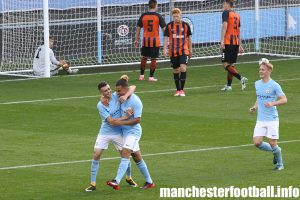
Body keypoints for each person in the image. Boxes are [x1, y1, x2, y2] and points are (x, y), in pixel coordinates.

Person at [85, 80, 138, 192]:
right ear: (101, 93)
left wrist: (126, 96)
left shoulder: (115, 95)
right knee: (96, 154)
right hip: (105, 132)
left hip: (118, 132)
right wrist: (125, 117)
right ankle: (92, 183)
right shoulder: (100, 105)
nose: (108, 91)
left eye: (109, 89)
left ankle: (129, 178)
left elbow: (132, 87)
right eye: (105, 91)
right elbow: (111, 122)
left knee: (125, 155)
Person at [106, 78, 155, 190]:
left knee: (125, 153)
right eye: (116, 91)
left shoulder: (136, 101)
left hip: (133, 132)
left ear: (126, 90)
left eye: (119, 91)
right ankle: (150, 182)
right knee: (137, 157)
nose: (117, 93)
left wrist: (122, 122)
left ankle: (116, 181)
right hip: (124, 132)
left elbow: (137, 120)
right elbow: (132, 87)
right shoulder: (119, 96)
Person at [249, 58, 287, 171]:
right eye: (260, 69)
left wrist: (273, 103)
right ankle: (276, 152)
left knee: (272, 142)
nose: (261, 71)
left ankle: (280, 165)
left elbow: (284, 99)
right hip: (260, 119)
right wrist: (255, 106)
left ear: (269, 71)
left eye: (263, 70)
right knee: (257, 142)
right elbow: (259, 97)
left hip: (272, 119)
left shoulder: (274, 85)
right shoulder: (257, 84)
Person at [134, 0, 166, 82]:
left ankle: (141, 75)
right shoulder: (158, 16)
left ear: (148, 6)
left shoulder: (143, 16)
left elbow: (138, 28)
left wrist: (136, 40)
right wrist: (167, 40)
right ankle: (151, 77)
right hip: (155, 41)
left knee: (144, 57)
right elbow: (164, 29)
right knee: (153, 59)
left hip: (145, 40)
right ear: (155, 5)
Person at [163, 8, 192, 97]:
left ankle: (182, 90)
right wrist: (165, 49)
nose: (176, 18)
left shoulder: (186, 25)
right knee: (176, 70)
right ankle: (178, 90)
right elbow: (166, 38)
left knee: (183, 68)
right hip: (173, 51)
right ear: (172, 16)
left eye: (177, 16)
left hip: (184, 50)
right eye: (174, 16)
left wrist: (190, 49)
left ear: (181, 15)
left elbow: (189, 38)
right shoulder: (169, 26)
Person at [220, 0, 247, 91]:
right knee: (231, 64)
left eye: (224, 4)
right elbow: (239, 30)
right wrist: (239, 44)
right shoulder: (237, 15)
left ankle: (241, 78)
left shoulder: (225, 13)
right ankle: (229, 85)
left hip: (228, 42)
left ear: (228, 4)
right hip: (235, 42)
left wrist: (222, 40)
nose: (223, 5)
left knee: (225, 64)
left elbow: (225, 26)